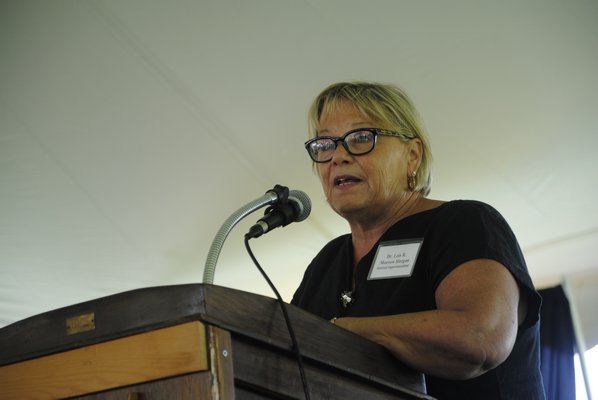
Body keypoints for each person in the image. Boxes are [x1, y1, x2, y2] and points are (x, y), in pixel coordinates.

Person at [291, 81, 546, 399]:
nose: (337, 157)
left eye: (360, 138)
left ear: (412, 155)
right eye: (325, 144)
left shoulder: (464, 223)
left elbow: (480, 338)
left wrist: (342, 332)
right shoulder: (326, 261)